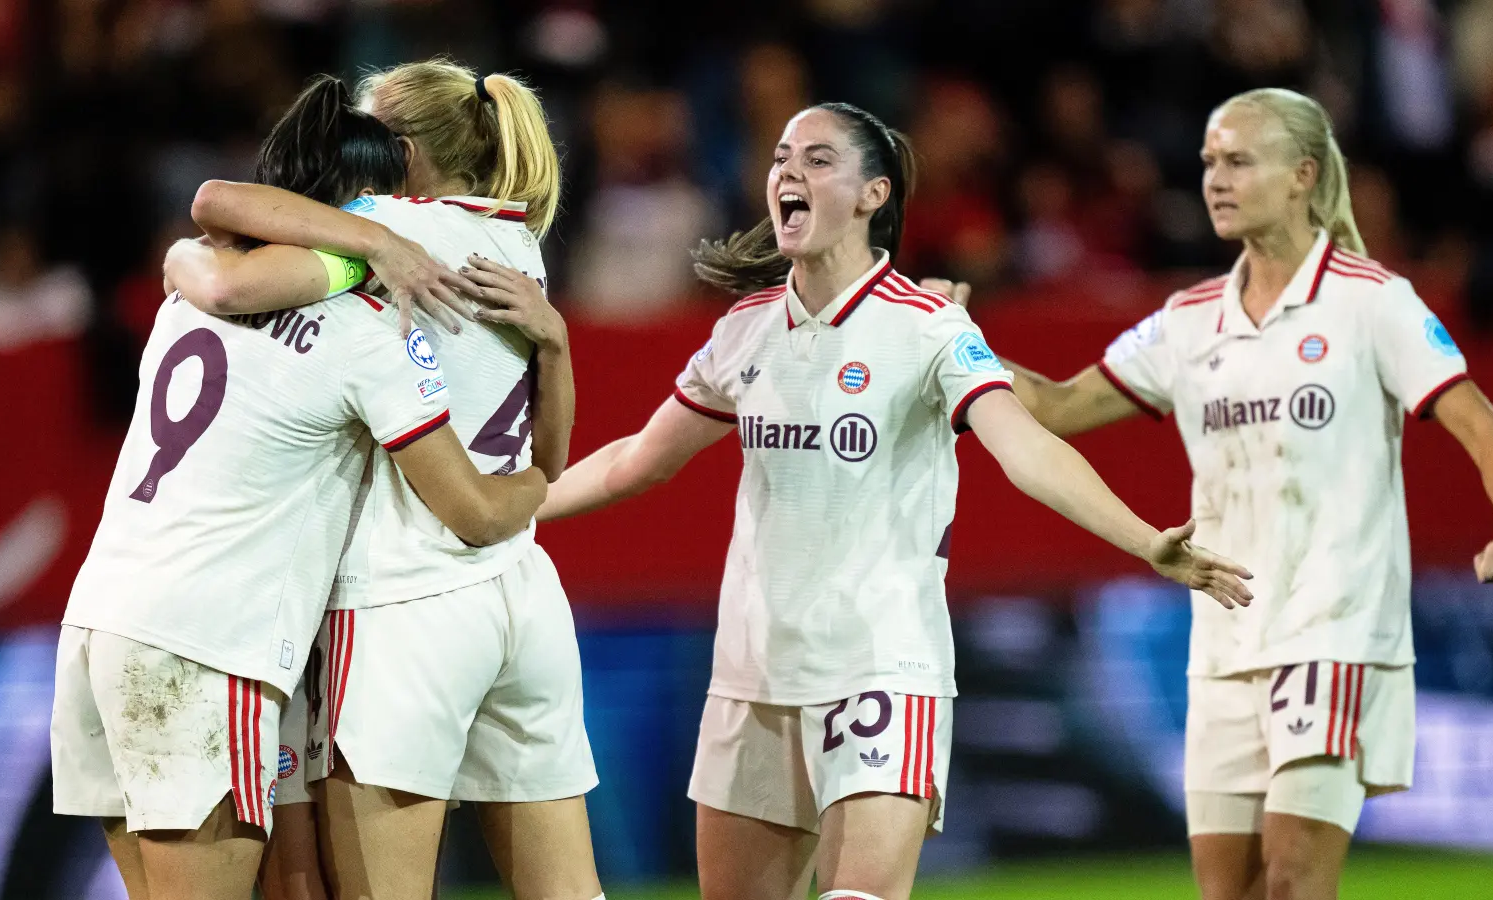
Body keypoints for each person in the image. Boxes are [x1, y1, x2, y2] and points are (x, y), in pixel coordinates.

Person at [535, 101, 1254, 900]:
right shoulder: (744, 330)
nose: (787, 174)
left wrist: (1144, 539)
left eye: (815, 160)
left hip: (880, 671)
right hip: (752, 677)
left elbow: (1026, 449)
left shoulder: (928, 328)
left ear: (874, 194)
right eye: (780, 158)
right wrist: (510, 514)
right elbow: (636, 461)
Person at [929, 88, 1493, 900]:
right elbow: (1064, 404)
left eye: (1239, 160)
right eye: (1211, 160)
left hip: (1333, 628)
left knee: (1292, 878)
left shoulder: (1370, 300)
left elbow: (1479, 422)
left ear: (1302, 175)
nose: (1214, 178)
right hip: (1224, 645)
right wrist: (960, 345)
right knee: (1229, 892)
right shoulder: (1188, 317)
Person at [50, 75, 553, 900]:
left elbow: (207, 238)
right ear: (379, 208)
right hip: (206, 649)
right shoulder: (366, 335)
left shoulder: (191, 290)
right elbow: (474, 510)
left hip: (99, 628)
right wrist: (542, 477)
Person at [178, 60, 604, 900]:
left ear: (400, 154)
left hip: (402, 599)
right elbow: (545, 465)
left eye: (365, 134)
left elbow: (214, 207)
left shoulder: (384, 229)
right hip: (523, 594)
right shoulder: (520, 242)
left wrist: (364, 236)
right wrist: (556, 343)